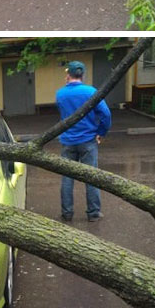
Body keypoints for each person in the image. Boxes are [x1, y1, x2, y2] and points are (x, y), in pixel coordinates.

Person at [55, 60, 112, 221]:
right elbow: (106, 114)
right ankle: (93, 213)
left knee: (67, 178)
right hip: (88, 141)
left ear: (68, 75)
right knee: (91, 177)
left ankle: (67, 213)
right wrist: (101, 132)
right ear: (83, 75)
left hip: (67, 141)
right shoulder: (91, 92)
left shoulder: (60, 94)